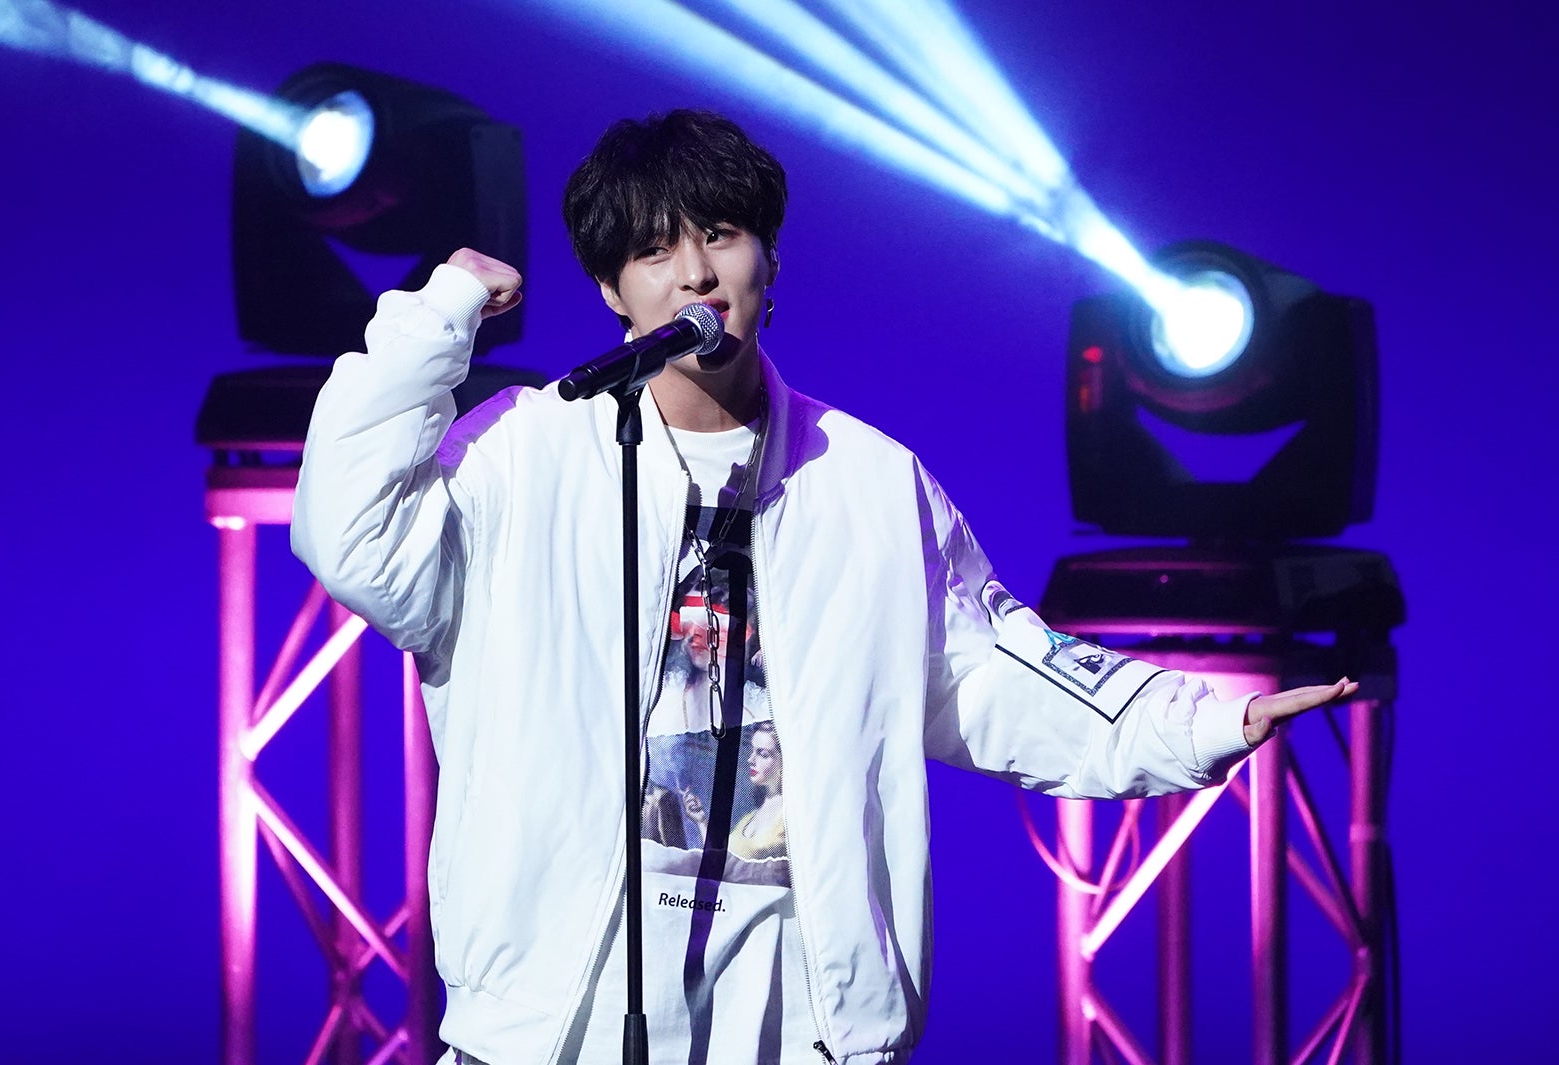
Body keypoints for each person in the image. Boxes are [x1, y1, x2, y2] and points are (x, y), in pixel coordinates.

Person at [290, 109, 1355, 1065]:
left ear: (769, 261)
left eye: (721, 235)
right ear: (613, 291)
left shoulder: (869, 483)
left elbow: (993, 671)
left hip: (797, 1023)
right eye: (654, 250)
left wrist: (1197, 720)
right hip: (552, 1024)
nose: (695, 273)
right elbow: (349, 531)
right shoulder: (526, 455)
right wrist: (440, 313)